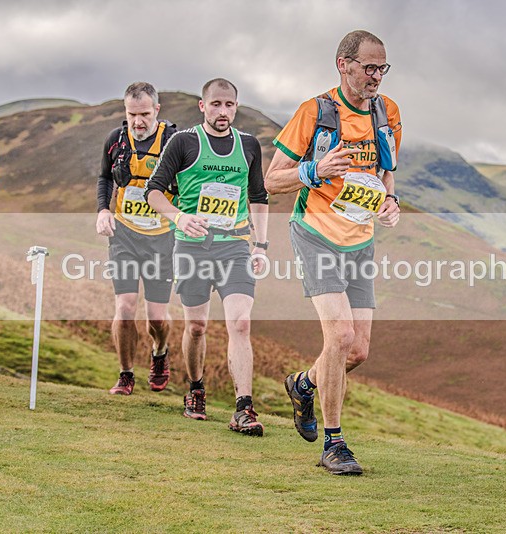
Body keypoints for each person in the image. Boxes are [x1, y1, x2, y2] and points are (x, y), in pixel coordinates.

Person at [265, 30, 402, 475]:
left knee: (357, 351)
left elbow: (386, 172)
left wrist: (390, 201)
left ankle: (303, 384)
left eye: (382, 68)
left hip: (360, 239)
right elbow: (272, 179)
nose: (376, 76)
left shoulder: (387, 112)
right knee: (340, 337)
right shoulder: (314, 112)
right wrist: (315, 169)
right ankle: (334, 444)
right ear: (343, 64)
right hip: (316, 233)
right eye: (368, 67)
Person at [145, 78, 269, 436]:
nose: (222, 111)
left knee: (240, 323)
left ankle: (244, 408)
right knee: (197, 326)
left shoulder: (248, 145)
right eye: (216, 104)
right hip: (192, 246)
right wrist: (179, 218)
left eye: (229, 105)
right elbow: (153, 192)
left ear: (236, 107)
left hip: (234, 246)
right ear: (203, 106)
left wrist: (261, 245)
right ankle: (196, 389)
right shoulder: (183, 142)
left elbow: (258, 196)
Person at [96, 82, 176, 396]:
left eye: (144, 114)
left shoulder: (173, 141)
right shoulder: (115, 140)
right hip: (125, 235)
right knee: (125, 307)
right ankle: (126, 374)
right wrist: (103, 210)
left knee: (157, 318)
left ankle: (160, 352)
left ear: (157, 110)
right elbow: (104, 177)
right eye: (132, 115)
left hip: (161, 238)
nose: (138, 121)